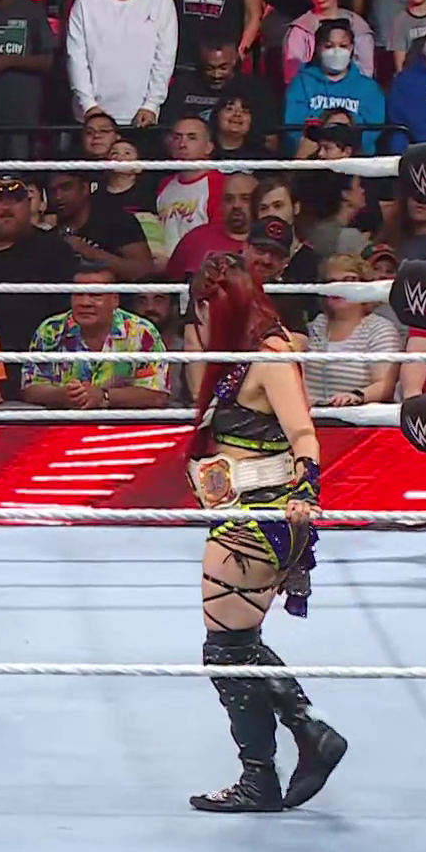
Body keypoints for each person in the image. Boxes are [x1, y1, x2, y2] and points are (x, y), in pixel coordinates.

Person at [184, 253, 347, 812]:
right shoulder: (238, 355)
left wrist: (307, 491)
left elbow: (304, 432)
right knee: (236, 646)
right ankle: (303, 738)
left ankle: (276, 762)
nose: (198, 322)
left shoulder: (270, 357)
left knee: (225, 650)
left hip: (259, 518)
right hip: (244, 513)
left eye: (202, 310)